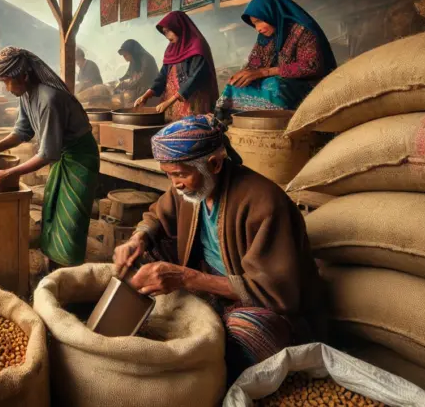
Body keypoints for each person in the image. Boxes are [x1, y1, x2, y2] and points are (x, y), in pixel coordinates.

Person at [113, 115, 325, 380]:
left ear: (213, 164)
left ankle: (218, 380)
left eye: (179, 174)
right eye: (168, 175)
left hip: (262, 301)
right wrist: (137, 239)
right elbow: (157, 216)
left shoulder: (266, 204)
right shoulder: (191, 190)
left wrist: (185, 277)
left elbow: (277, 292)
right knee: (141, 257)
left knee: (249, 333)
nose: (175, 184)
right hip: (210, 278)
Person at [0, 47, 99, 268]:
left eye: (7, 82)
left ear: (24, 76)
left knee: (71, 218)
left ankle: (70, 274)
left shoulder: (48, 98)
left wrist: (8, 173)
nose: (6, 89)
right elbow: (22, 131)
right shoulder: (26, 94)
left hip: (80, 157)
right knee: (52, 210)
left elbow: (47, 154)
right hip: (62, 156)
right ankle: (55, 266)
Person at [216, 0, 337, 120]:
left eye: (259, 21)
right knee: (235, 85)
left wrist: (267, 71)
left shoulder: (303, 32)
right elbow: (255, 64)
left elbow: (311, 66)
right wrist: (245, 74)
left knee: (274, 85)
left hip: (306, 85)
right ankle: (226, 123)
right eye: (254, 24)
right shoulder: (265, 38)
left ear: (272, 13)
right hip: (275, 81)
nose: (258, 28)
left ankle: (278, 123)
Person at [134, 11, 220, 121]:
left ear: (178, 27)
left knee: (191, 132)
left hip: (193, 102)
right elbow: (163, 75)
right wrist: (146, 95)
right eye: (164, 32)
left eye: (169, 31)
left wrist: (170, 101)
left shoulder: (197, 46)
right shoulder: (171, 49)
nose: (167, 36)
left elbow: (195, 78)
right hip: (173, 103)